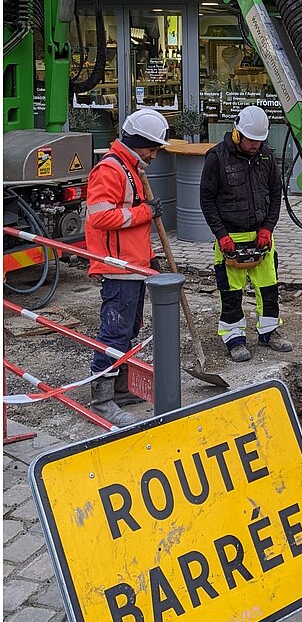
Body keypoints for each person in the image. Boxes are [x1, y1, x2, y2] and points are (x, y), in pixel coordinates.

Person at [85, 108, 168, 427]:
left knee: (128, 330)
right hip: (117, 268)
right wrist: (144, 213)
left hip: (134, 265)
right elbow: (99, 218)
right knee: (114, 331)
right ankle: (102, 400)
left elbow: (129, 219)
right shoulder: (111, 170)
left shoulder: (132, 167)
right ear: (136, 142)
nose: (155, 154)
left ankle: (119, 387)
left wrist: (148, 258)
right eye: (153, 148)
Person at [199, 105, 289, 363]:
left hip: (261, 235)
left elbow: (275, 195)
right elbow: (207, 199)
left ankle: (269, 331)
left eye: (260, 141)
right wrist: (221, 235)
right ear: (237, 133)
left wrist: (268, 228)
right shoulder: (216, 158)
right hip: (230, 236)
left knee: (269, 288)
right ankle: (234, 338)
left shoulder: (266, 157)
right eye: (251, 140)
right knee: (231, 294)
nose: (255, 146)